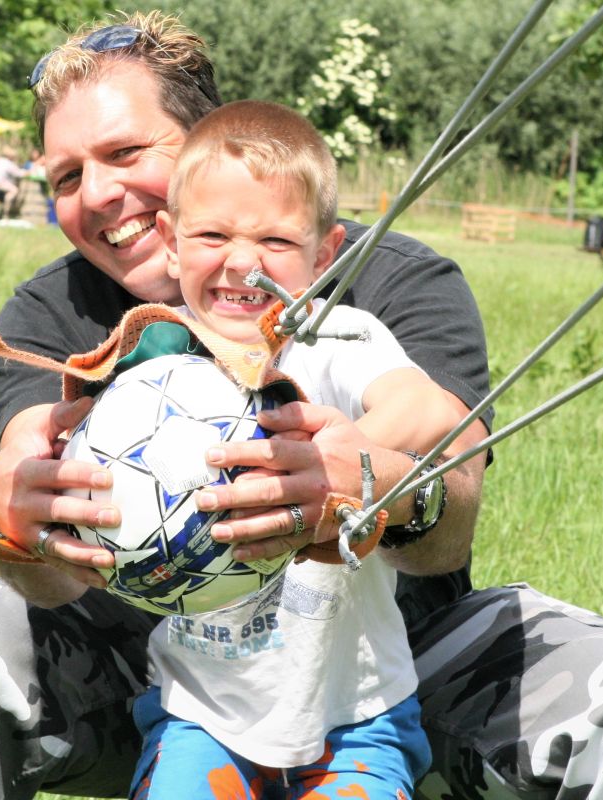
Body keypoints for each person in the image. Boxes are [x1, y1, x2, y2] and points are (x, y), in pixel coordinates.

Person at [0, 12, 603, 800]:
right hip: (154, 666)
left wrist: (352, 480)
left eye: (125, 155)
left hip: (391, 663)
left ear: (205, 141)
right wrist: (1, 501)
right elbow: (40, 527)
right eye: (64, 176)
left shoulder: (385, 288)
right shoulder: (52, 313)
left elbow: (448, 517)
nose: (94, 195)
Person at [123, 98, 466, 798]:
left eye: (276, 243)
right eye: (212, 233)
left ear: (324, 253)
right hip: (199, 711)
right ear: (168, 237)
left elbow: (426, 408)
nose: (243, 263)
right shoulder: (151, 358)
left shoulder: (338, 336)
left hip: (358, 713)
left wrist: (336, 463)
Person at [0, 145, 28, 217]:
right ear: (10, 156)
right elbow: (19, 173)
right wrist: (29, 171)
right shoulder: (8, 163)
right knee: (14, 190)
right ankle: (6, 209)